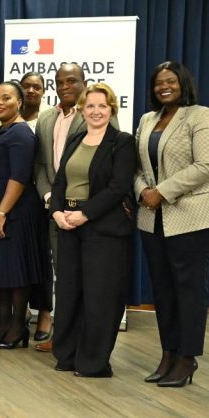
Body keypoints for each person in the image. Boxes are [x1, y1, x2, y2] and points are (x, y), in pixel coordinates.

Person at [135, 61, 209, 388]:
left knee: (188, 290)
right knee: (163, 289)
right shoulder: (147, 120)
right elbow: (137, 167)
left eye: (171, 81)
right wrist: (144, 191)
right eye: (158, 82)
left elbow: (206, 165)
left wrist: (161, 192)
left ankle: (187, 358)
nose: (164, 86)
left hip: (195, 216)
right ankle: (168, 353)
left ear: (183, 84)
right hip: (154, 217)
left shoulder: (202, 116)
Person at [49, 83, 136, 378]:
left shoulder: (121, 142)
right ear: (82, 110)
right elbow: (60, 181)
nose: (96, 111)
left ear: (112, 109)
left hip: (104, 229)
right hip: (68, 224)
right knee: (69, 293)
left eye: (102, 106)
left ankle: (93, 363)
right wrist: (57, 212)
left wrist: (85, 214)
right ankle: (67, 355)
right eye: (90, 106)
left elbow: (118, 187)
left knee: (100, 297)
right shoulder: (75, 139)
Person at [0, 82, 51, 349]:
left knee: (17, 274)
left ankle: (18, 328)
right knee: (2, 272)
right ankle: (4, 326)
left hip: (14, 213)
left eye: (6, 98)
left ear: (20, 102)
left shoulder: (21, 133)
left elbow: (19, 177)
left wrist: (1, 212)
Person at [31, 62, 89, 350]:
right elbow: (40, 165)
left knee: (86, 278)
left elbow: (105, 163)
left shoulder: (95, 113)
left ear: (84, 83)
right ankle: (62, 338)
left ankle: (85, 342)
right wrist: (49, 200)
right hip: (55, 212)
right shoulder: (45, 118)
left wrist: (82, 206)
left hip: (86, 212)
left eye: (71, 81)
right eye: (60, 82)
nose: (65, 86)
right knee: (63, 277)